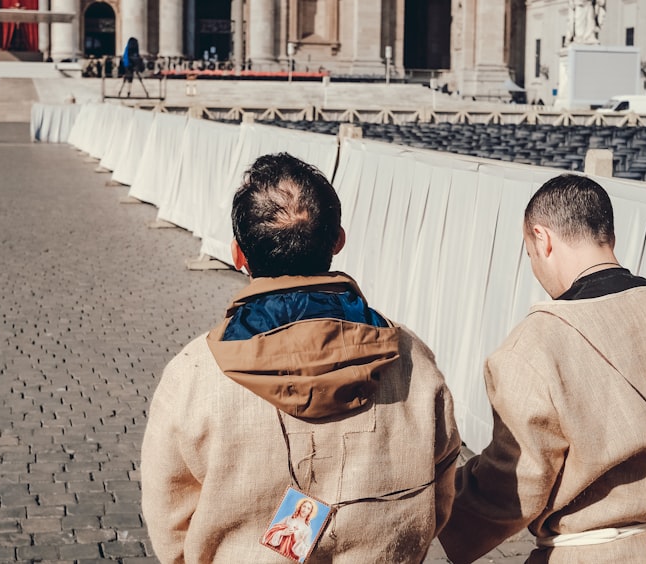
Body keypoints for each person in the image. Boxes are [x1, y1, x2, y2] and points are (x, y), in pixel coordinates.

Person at [141, 153, 461, 563]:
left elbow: (169, 517)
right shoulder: (412, 358)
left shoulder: (194, 373)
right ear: (338, 241)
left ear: (238, 254)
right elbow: (441, 493)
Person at [438, 173, 646, 563]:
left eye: (529, 252)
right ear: (609, 237)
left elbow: (515, 482)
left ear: (543, 239)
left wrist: (438, 509)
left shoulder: (536, 344)